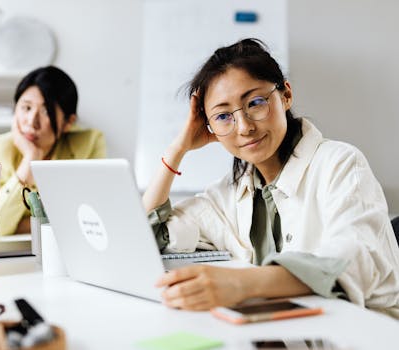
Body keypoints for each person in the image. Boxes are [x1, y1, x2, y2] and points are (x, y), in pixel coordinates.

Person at [143, 39, 399, 317]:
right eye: (223, 116)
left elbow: (352, 260)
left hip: (366, 332)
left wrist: (240, 284)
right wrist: (177, 149)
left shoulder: (341, 163)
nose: (244, 127)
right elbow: (149, 234)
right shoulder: (228, 194)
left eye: (255, 103)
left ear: (286, 95)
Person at [0, 66, 106, 236]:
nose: (31, 122)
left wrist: (21, 225)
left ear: (68, 122)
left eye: (46, 111)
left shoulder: (89, 143)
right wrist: (30, 160)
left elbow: (95, 217)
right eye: (26, 108)